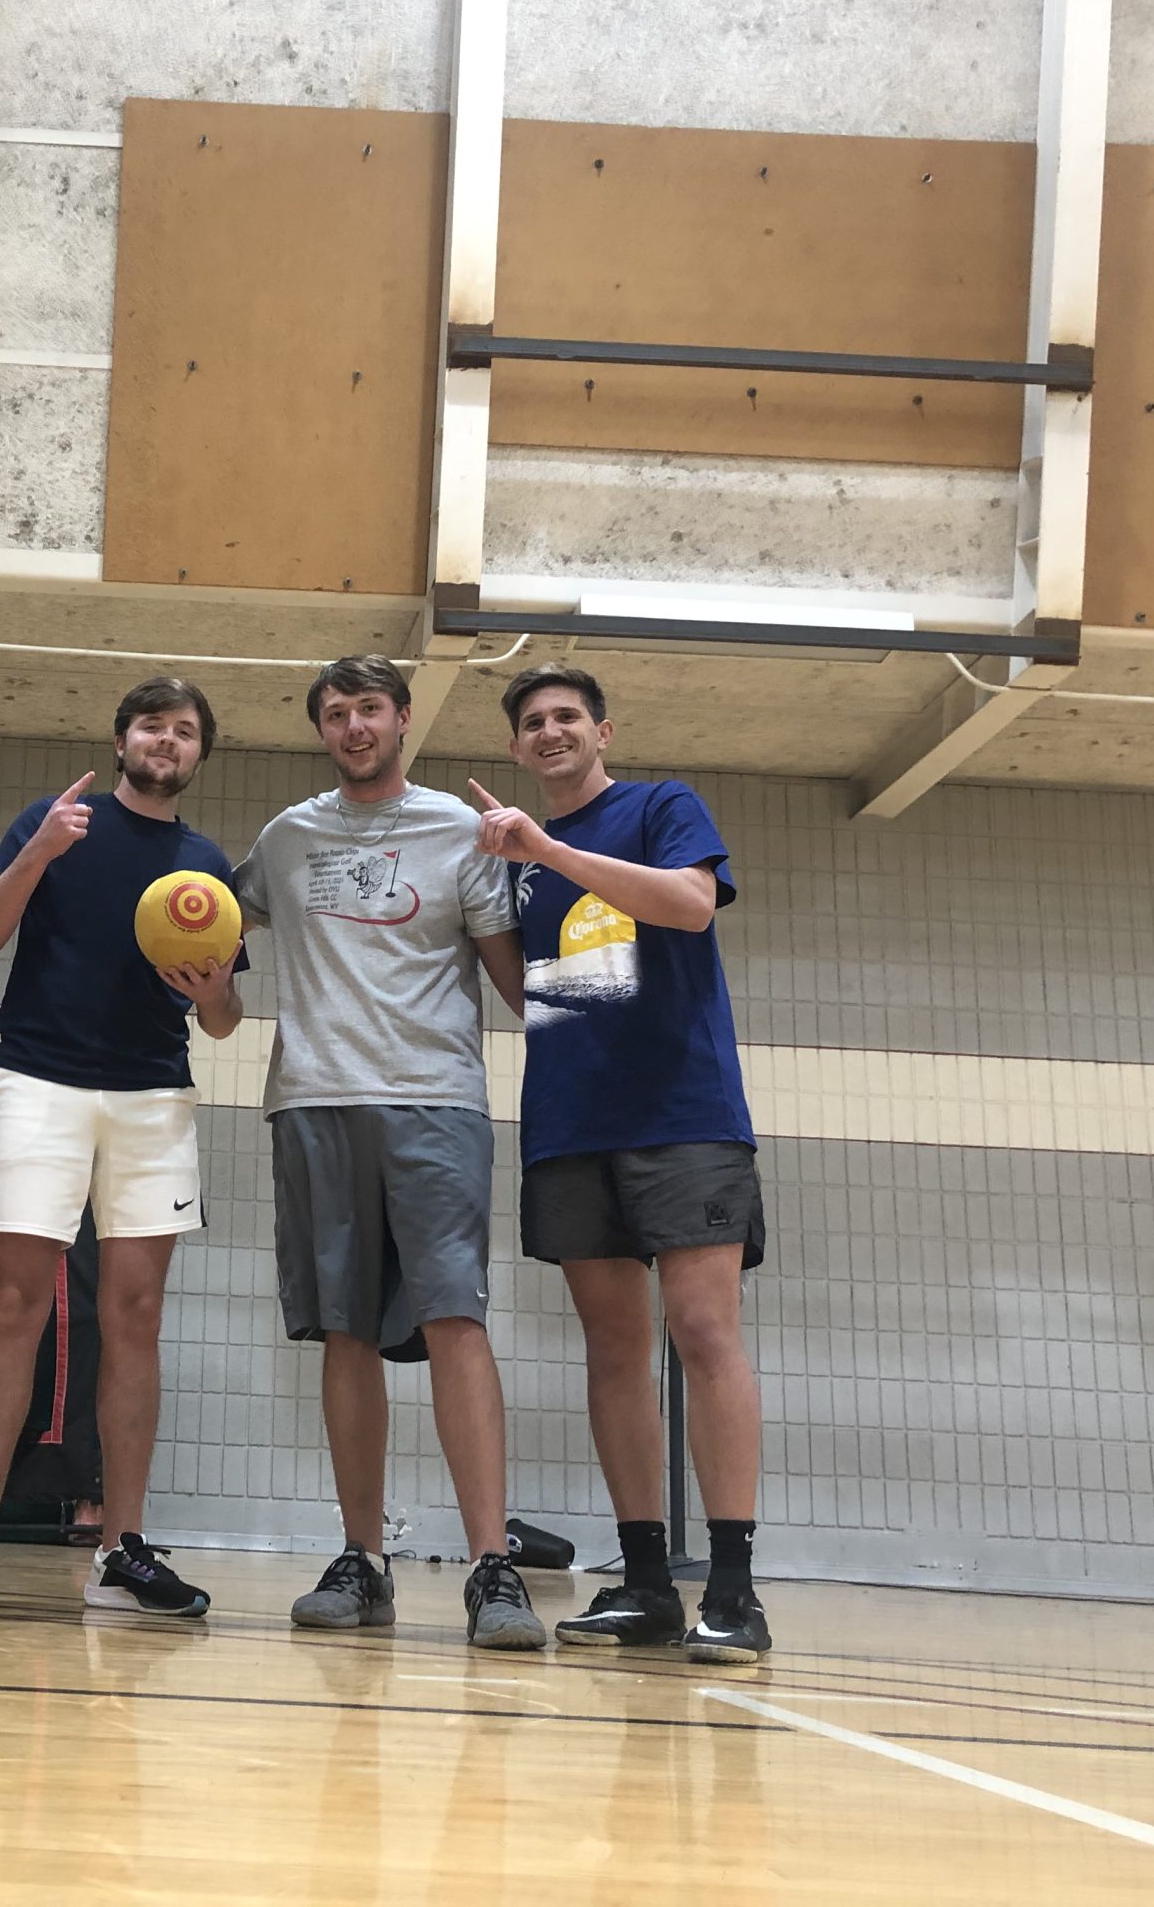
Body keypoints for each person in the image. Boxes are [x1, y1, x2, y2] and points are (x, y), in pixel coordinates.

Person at [0, 677, 245, 1618]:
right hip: (39, 1085)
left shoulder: (205, 867)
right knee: (15, 1304)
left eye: (183, 732)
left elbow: (221, 1021)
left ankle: (124, 1548)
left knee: (136, 1315)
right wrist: (40, 852)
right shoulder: (56, 822)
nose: (165, 741)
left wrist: (213, 987)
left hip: (153, 1097)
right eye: (151, 725)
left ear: (198, 754)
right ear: (122, 735)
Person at [235, 655, 546, 1651]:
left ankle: (491, 1568)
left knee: (456, 1320)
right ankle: (361, 1561)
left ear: (402, 718)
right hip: (314, 1103)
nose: (354, 725)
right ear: (322, 731)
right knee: (343, 1332)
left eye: (369, 708)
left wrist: (627, 1002)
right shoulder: (284, 839)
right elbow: (202, 936)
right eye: (336, 713)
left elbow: (519, 987)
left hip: (435, 1103)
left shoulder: (462, 833)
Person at [469, 664, 770, 1663]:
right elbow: (543, 994)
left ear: (601, 731)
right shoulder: (516, 866)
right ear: (515, 749)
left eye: (566, 718)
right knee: (612, 1351)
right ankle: (643, 1585)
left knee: (700, 1330)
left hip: (682, 1115)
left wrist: (545, 848)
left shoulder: (658, 807)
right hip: (569, 1124)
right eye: (532, 724)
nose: (550, 732)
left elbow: (689, 906)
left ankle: (732, 1588)